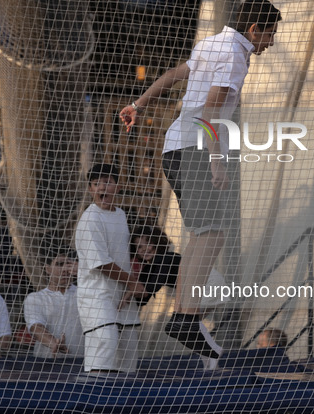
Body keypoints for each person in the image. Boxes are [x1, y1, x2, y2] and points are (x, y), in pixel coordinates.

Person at [119, 0, 282, 363]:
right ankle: (186, 317)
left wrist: (140, 102)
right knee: (212, 232)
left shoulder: (210, 43)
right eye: (270, 33)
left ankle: (185, 313)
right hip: (195, 149)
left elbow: (175, 74)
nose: (272, 41)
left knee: (203, 232)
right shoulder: (236, 56)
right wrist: (216, 160)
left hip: (175, 147)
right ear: (254, 29)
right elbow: (210, 109)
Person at [75, 164, 146, 373]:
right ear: (90, 189)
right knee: (106, 342)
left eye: (107, 182)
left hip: (123, 296)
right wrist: (132, 282)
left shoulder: (122, 215)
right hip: (97, 296)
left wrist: (131, 286)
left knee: (128, 353)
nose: (102, 188)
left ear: (117, 187)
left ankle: (124, 403)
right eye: (97, 184)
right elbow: (102, 264)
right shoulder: (90, 219)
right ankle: (95, 398)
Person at [23, 246, 84, 359]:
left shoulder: (84, 294)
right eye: (60, 264)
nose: (65, 269)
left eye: (69, 264)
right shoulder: (36, 298)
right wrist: (53, 343)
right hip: (46, 362)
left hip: (80, 361)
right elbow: (36, 327)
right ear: (47, 268)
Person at [130, 225, 180, 306]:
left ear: (157, 242)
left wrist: (134, 290)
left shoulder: (168, 257)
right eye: (139, 247)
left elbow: (155, 283)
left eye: (148, 243)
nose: (144, 249)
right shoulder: (149, 269)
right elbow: (142, 301)